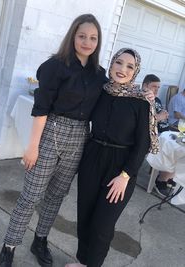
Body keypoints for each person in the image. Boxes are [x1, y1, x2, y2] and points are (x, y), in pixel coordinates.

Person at [0, 14, 107, 267]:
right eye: (82, 36)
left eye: (93, 38)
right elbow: (41, 108)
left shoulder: (99, 75)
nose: (87, 42)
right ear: (73, 37)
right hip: (51, 132)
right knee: (31, 195)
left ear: (98, 42)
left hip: (79, 137)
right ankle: (9, 246)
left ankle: (41, 239)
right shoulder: (55, 66)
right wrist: (32, 146)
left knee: (57, 195)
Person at [65, 48, 159, 267]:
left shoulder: (142, 101)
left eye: (129, 66)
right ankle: (83, 261)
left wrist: (125, 176)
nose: (122, 69)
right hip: (93, 157)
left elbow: (142, 144)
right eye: (118, 63)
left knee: (103, 225)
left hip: (121, 167)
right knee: (85, 215)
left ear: (136, 71)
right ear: (111, 63)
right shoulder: (101, 91)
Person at [142, 74, 175, 197]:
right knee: (173, 151)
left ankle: (169, 175)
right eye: (154, 86)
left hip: (165, 133)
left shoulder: (157, 100)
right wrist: (159, 117)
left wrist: (163, 115)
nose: (156, 90)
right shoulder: (141, 99)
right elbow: (141, 122)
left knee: (179, 149)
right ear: (145, 86)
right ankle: (161, 180)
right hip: (153, 136)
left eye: (158, 87)